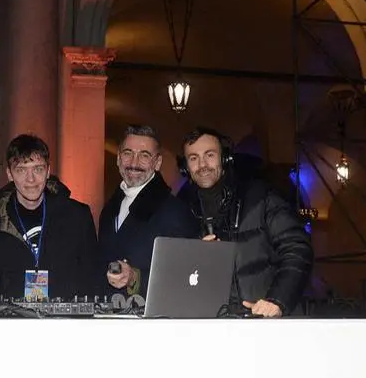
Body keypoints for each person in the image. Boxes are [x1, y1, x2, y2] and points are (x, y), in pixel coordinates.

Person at [177, 127, 313, 317]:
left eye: (209, 155)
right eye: (193, 158)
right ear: (186, 167)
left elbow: (297, 248)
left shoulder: (260, 195)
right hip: (216, 325)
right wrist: (197, 259)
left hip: (267, 323)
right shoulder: (181, 211)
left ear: (225, 159)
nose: (202, 164)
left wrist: (277, 299)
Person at [0, 134, 99, 300]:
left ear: (48, 171)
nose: (31, 179)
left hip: (66, 321)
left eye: (38, 169)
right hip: (13, 320)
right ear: (9, 174)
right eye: (21, 170)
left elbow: (92, 278)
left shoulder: (77, 217)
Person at [98, 125, 198, 297]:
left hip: (151, 320)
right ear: (118, 158)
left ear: (157, 163)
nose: (134, 163)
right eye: (128, 153)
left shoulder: (175, 212)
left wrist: (134, 279)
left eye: (144, 155)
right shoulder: (109, 209)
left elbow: (184, 278)